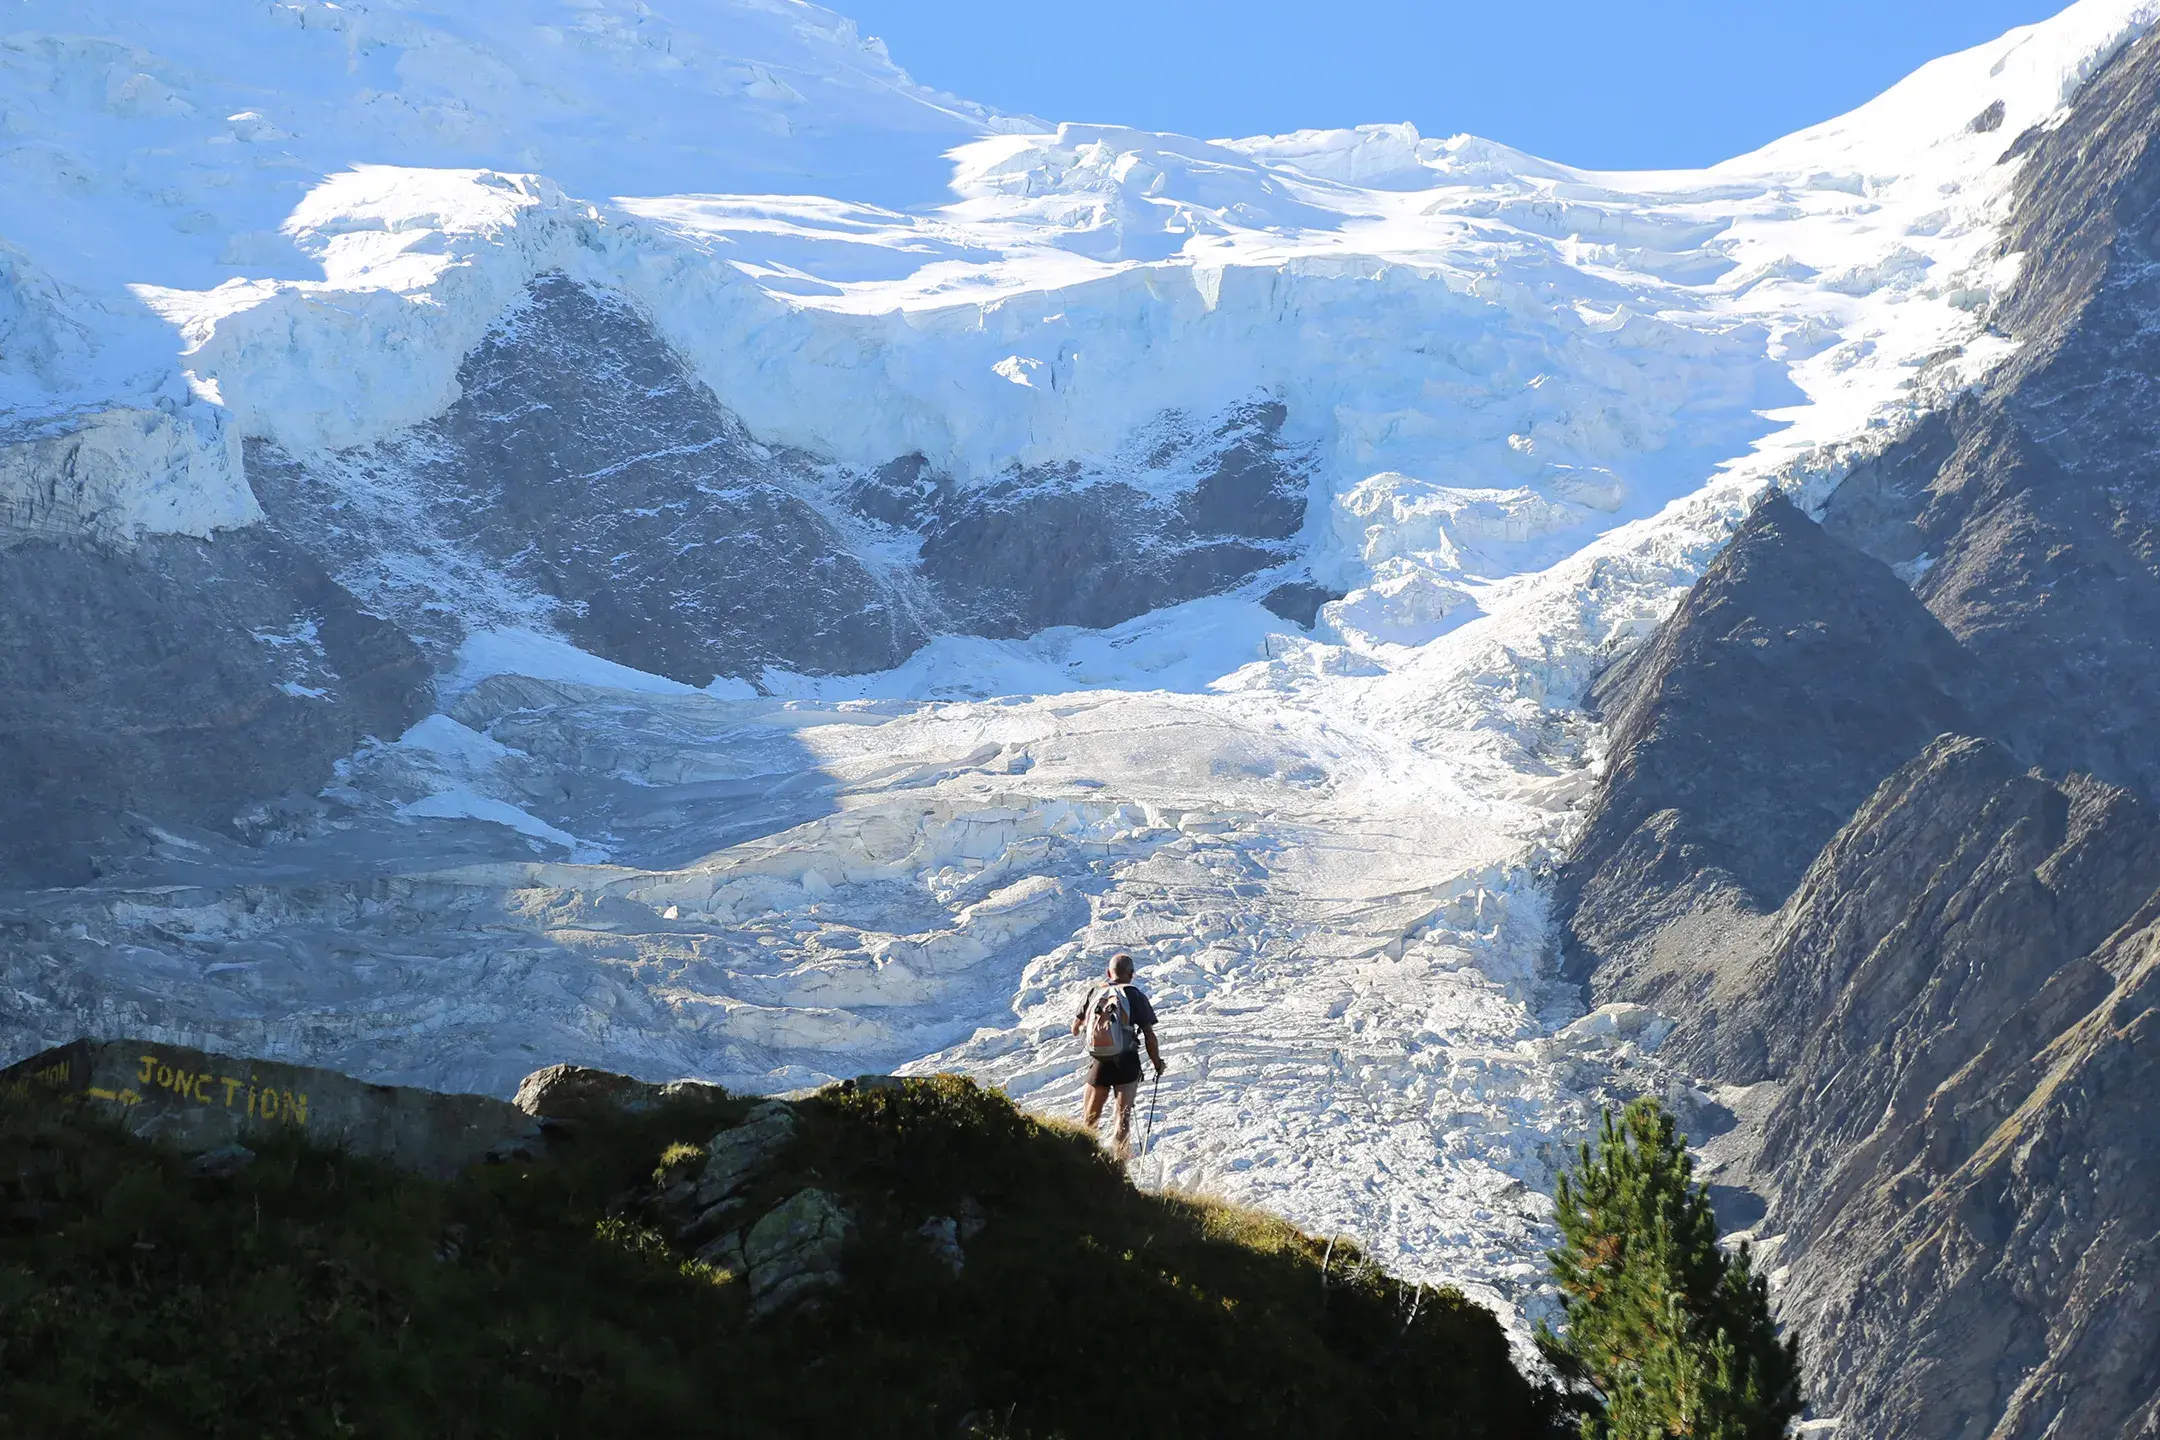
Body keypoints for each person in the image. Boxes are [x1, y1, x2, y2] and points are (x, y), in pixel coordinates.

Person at [1068, 952, 1164, 1163]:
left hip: (1100, 1062)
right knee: (1122, 1116)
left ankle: (1082, 1162)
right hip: (1127, 1061)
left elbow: (1075, 1028)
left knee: (1090, 1118)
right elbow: (1149, 1035)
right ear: (1131, 974)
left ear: (1107, 972)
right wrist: (1157, 1064)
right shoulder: (1135, 995)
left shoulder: (1095, 991)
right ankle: (1118, 1167)